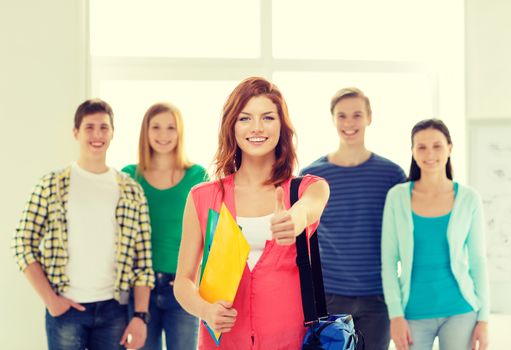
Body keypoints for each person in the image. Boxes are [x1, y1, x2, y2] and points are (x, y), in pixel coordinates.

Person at [173, 77, 330, 350]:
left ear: (282, 126)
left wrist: (295, 219)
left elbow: (310, 207)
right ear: (231, 126)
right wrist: (205, 311)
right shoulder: (203, 196)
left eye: (268, 117)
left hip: (289, 342)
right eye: (245, 118)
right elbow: (183, 282)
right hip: (223, 343)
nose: (257, 128)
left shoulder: (307, 189)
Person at [12, 99, 154, 350]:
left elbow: (142, 260)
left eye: (104, 127)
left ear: (112, 133)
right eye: (89, 127)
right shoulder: (52, 184)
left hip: (114, 310)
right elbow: (23, 243)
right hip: (66, 310)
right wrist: (51, 300)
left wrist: (140, 317)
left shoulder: (131, 190)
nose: (97, 135)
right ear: (75, 132)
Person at [300, 87, 406, 349]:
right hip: (329, 297)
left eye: (357, 115)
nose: (349, 123)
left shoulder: (391, 175)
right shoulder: (311, 176)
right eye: (342, 116)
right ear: (333, 119)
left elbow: (406, 234)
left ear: (369, 117)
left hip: (377, 297)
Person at [381, 119, 490, 350]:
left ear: (450, 148)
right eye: (421, 147)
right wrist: (395, 315)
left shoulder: (469, 198)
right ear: (412, 151)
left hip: (461, 310)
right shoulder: (397, 197)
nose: (429, 153)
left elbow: (478, 261)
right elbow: (389, 262)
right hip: (412, 313)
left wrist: (484, 319)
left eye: (437, 146)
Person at [122, 102, 208, 349]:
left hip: (182, 287)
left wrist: (198, 275)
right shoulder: (129, 176)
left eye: (171, 128)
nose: (163, 135)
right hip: (140, 289)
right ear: (145, 132)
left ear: (180, 132)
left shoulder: (198, 176)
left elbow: (211, 233)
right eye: (156, 127)